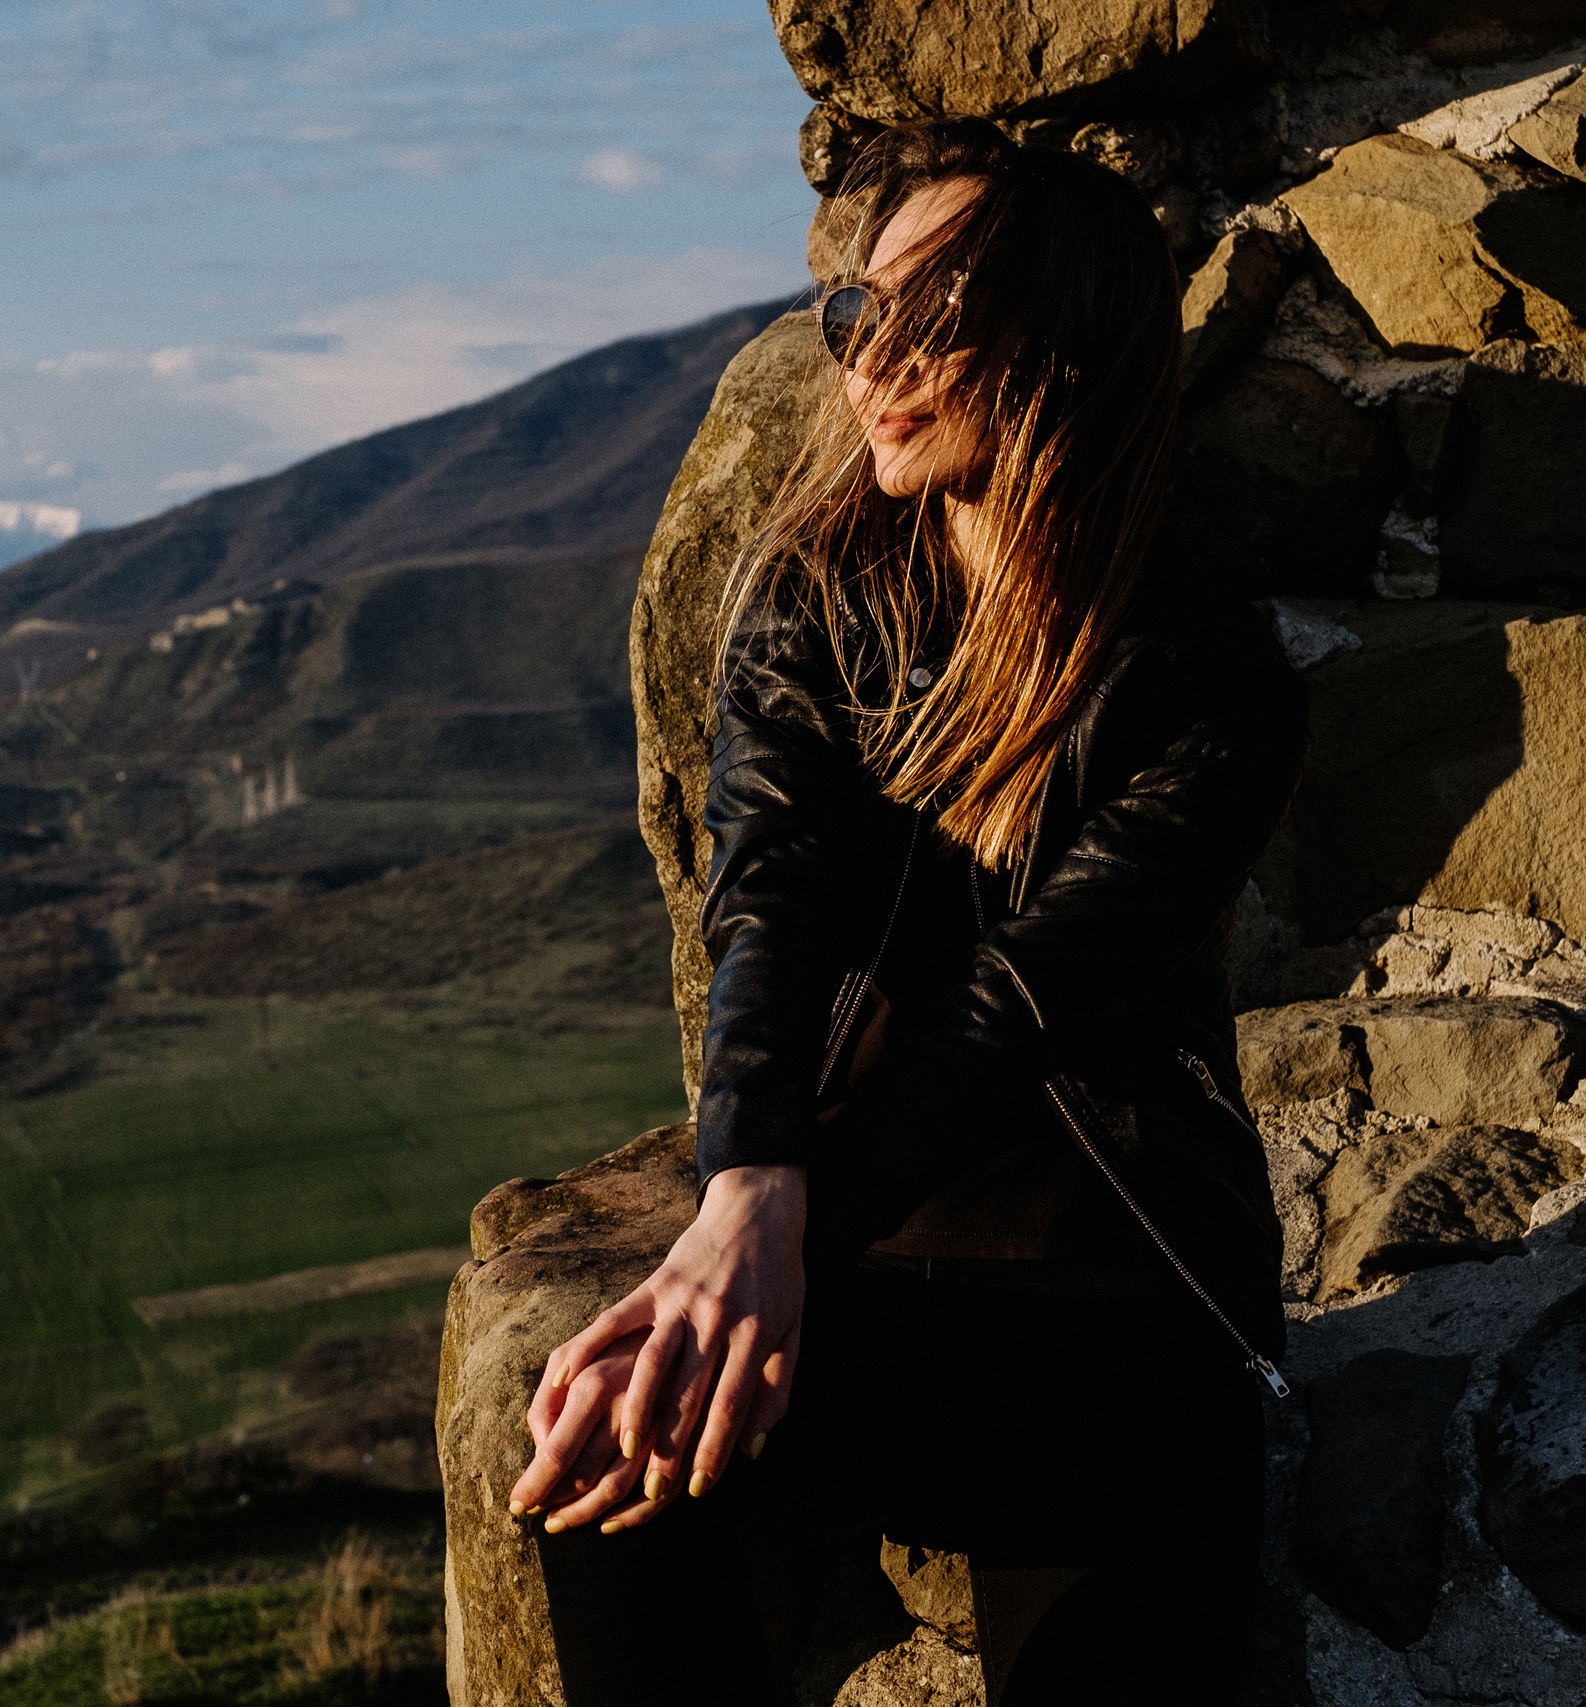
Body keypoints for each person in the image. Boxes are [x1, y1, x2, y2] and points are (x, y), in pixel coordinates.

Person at [503, 120, 1309, 1705]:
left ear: (1063, 344)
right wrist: (747, 1185)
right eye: (859, 312)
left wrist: (782, 1216)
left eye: (934, 315)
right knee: (620, 1433)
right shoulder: (814, 598)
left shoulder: (1211, 678)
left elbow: (1028, 1006)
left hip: (1117, 1285)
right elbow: (771, 907)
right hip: (873, 1259)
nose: (875, 356)